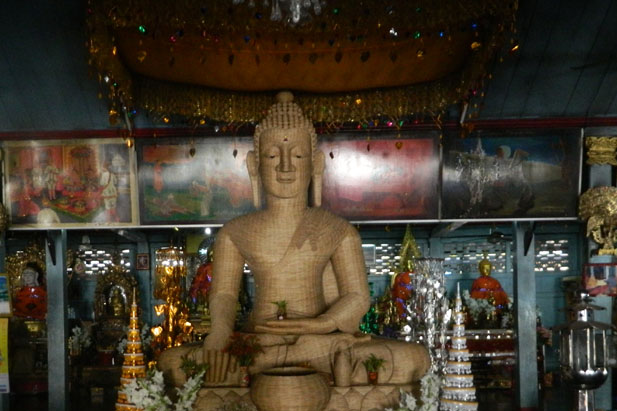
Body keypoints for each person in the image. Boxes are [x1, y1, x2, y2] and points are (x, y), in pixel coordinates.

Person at [159, 91, 430, 386]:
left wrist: (324, 323)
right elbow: (224, 294)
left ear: (315, 164)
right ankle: (279, 362)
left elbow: (357, 297)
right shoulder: (235, 232)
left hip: (321, 342)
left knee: (414, 358)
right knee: (172, 363)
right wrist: (221, 331)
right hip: (256, 341)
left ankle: (270, 366)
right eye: (273, 156)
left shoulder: (337, 229)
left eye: (298, 155)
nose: (285, 166)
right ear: (254, 165)